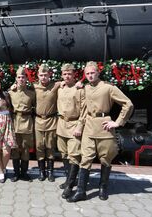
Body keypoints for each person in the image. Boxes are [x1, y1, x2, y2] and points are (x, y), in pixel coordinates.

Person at [68, 61, 133, 203]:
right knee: (85, 159)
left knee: (106, 159)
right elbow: (84, 109)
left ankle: (103, 188)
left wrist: (117, 122)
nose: (90, 76)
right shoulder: (85, 88)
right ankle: (81, 191)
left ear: (98, 73)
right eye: (87, 74)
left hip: (104, 127)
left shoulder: (108, 88)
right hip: (89, 127)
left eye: (92, 73)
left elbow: (127, 104)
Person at [56, 63, 86, 199]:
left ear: (74, 75)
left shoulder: (80, 89)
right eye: (65, 74)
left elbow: (84, 110)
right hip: (62, 124)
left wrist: (80, 126)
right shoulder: (60, 88)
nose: (67, 76)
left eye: (69, 74)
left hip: (74, 124)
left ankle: (70, 186)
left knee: (74, 155)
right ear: (62, 75)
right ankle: (69, 179)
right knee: (64, 153)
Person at [8, 67, 36, 182]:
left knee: (25, 149)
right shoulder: (10, 92)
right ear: (16, 79)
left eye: (23, 77)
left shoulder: (31, 93)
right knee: (15, 149)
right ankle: (16, 173)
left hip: (27, 122)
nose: (21, 79)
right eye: (19, 77)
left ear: (26, 79)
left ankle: (24, 173)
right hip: (15, 122)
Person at [33, 65, 61, 182]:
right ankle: (41, 171)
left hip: (51, 121)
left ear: (50, 75)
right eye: (41, 75)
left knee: (50, 146)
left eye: (45, 75)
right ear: (38, 76)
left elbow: (68, 83)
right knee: (39, 146)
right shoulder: (34, 87)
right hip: (38, 120)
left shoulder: (56, 85)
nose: (43, 77)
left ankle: (50, 172)